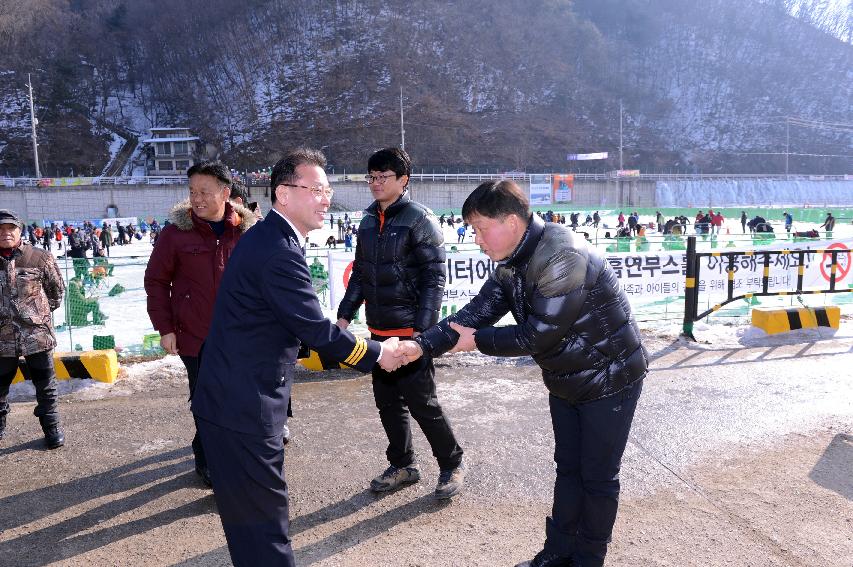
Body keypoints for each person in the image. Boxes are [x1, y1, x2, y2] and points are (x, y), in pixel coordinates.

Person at [403, 180, 647, 567]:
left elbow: (539, 334)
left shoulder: (563, 255)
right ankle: (557, 552)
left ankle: (588, 559)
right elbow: (478, 310)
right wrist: (422, 345)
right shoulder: (513, 259)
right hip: (567, 376)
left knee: (597, 477)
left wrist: (477, 341)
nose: (476, 238)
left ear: (512, 222)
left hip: (610, 376)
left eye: (481, 228)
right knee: (568, 469)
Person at [191, 148, 409, 567]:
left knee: (251, 524)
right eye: (317, 189)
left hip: (231, 401)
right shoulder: (277, 249)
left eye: (328, 190)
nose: (326, 198)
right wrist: (380, 353)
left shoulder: (273, 238)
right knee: (263, 525)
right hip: (243, 409)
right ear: (284, 194)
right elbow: (314, 329)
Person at [336, 147, 465, 500]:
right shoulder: (366, 222)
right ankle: (403, 464)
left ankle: (452, 463)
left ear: (403, 179)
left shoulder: (419, 219)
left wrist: (422, 333)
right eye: (371, 177)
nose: (376, 183)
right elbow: (360, 274)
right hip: (379, 332)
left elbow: (434, 278)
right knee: (388, 403)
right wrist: (345, 316)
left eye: (383, 177)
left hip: (411, 333)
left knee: (424, 403)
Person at [144, 160, 256, 487]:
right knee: (206, 400)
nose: (197, 198)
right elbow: (156, 282)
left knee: (240, 399)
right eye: (192, 191)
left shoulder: (247, 232)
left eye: (205, 191)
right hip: (196, 336)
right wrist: (165, 328)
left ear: (226, 192)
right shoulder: (175, 234)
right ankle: (208, 458)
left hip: (240, 337)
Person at [0, 209, 67, 449]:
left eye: (11, 228)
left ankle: (52, 428)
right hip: (1, 338)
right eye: (1, 229)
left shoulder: (39, 257)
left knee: (46, 385)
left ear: (20, 231)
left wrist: (35, 315)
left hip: (36, 335)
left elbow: (56, 293)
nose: (6, 233)